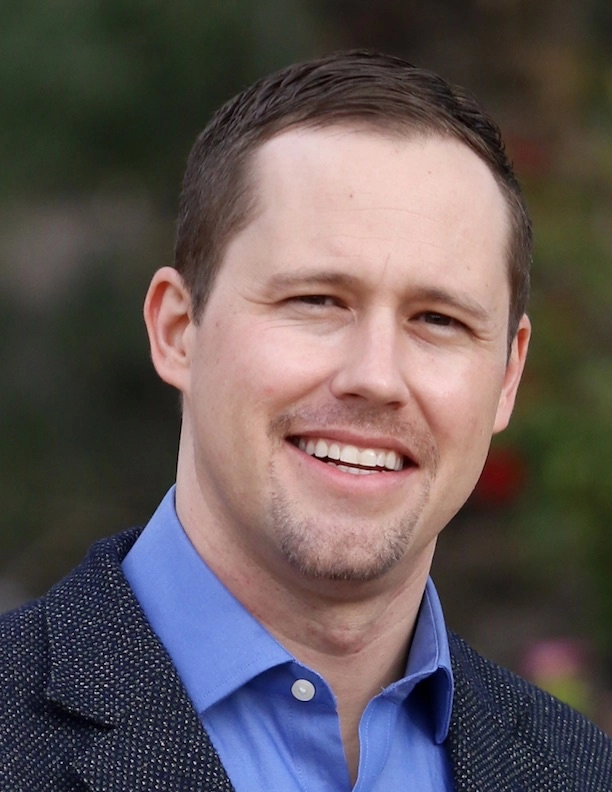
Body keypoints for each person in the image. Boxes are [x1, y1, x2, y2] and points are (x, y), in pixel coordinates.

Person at [0, 50, 610, 792]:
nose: (376, 377)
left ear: (508, 377)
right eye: (317, 301)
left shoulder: (580, 771)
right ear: (177, 329)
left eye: (439, 320)